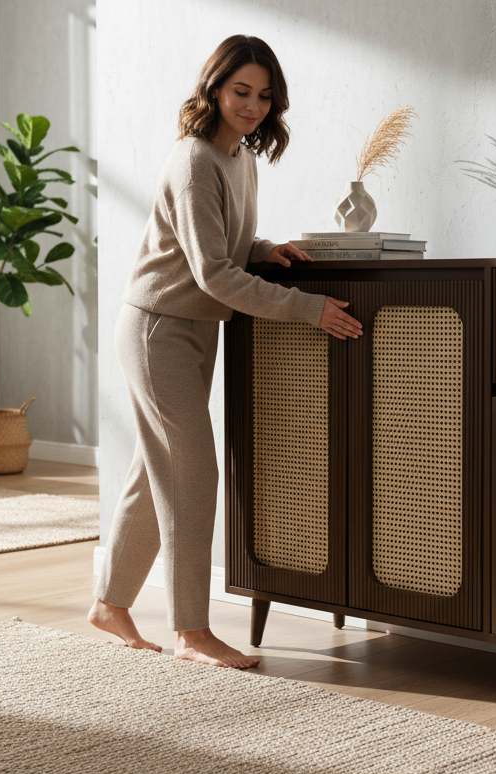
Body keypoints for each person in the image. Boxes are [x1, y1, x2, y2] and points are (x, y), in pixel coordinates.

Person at [88, 35, 363, 668]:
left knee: (157, 469)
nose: (253, 106)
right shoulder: (193, 160)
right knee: (191, 473)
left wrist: (264, 249)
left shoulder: (238, 159)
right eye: (241, 91)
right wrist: (308, 309)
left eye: (265, 96)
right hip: (160, 329)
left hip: (189, 328)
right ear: (213, 87)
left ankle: (110, 604)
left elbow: (218, 240)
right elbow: (212, 272)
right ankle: (192, 631)